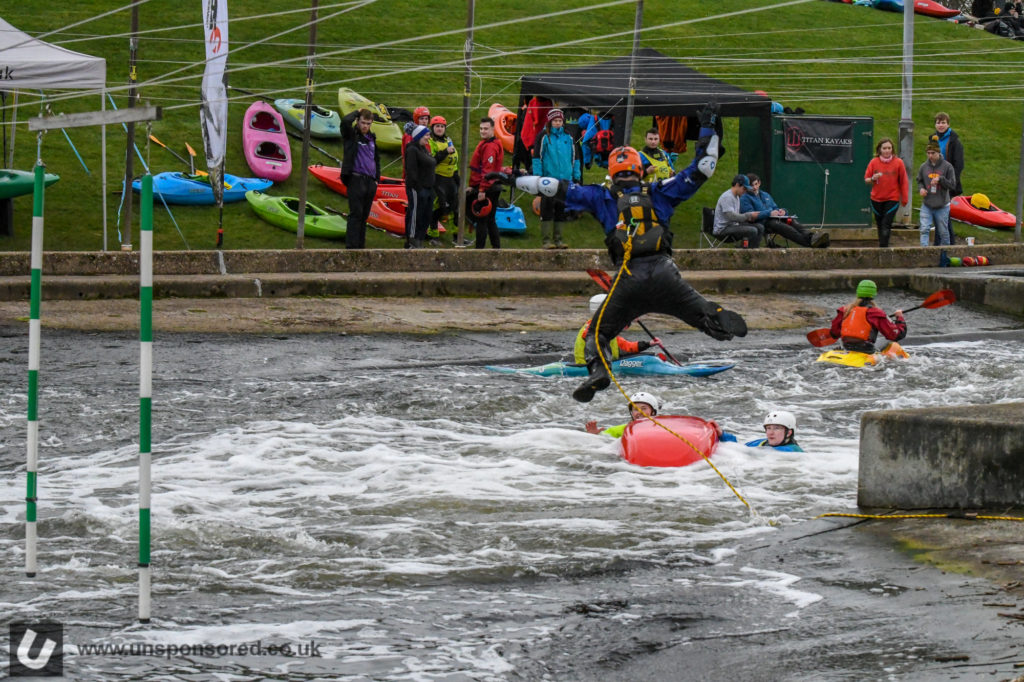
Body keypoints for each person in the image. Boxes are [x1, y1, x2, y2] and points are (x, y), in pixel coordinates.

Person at [512, 102, 748, 403]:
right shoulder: (661, 191)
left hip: (629, 279)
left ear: (612, 172)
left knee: (596, 334)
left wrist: (512, 179)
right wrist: (709, 127)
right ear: (640, 169)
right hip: (666, 275)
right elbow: (704, 167)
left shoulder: (600, 196)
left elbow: (551, 186)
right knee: (695, 311)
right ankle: (715, 323)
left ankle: (599, 371)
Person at [584, 391, 738, 442]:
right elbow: (603, 439)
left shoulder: (665, 426)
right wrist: (594, 435)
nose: (638, 412)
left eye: (643, 408)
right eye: (635, 410)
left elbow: (734, 442)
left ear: (653, 411)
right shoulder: (624, 429)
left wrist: (719, 434)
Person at [531, 108, 581, 249]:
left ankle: (558, 239)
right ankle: (546, 240)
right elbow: (537, 158)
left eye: (560, 121)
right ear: (550, 122)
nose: (558, 123)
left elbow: (575, 157)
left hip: (565, 179)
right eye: (555, 121)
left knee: (561, 209)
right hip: (548, 179)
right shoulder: (543, 137)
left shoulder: (569, 137)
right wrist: (538, 177)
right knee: (546, 209)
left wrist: (576, 176)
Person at [739, 173, 829, 248]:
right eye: (751, 186)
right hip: (763, 222)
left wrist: (783, 211)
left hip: (775, 218)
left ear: (759, 183)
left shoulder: (765, 195)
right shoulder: (745, 198)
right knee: (785, 228)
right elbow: (751, 215)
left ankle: (812, 237)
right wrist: (769, 213)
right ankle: (810, 243)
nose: (754, 187)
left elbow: (775, 207)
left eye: (756, 184)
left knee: (791, 221)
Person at [829, 279, 907, 355]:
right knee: (891, 343)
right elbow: (895, 335)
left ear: (858, 292)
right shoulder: (876, 313)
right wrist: (899, 318)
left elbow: (834, 333)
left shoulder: (844, 310)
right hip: (866, 350)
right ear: (874, 294)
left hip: (846, 347)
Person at [573, 294, 657, 364]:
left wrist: (649, 344)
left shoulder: (606, 327)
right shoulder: (593, 327)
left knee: (647, 357)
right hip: (589, 365)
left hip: (608, 362)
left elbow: (626, 346)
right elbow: (589, 336)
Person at [339, 108, 379, 250]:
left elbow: (376, 159)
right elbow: (344, 122)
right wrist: (357, 112)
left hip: (370, 182)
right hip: (355, 179)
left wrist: (376, 179)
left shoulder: (372, 138)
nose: (365, 126)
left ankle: (361, 246)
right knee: (355, 214)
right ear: (358, 121)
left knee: (364, 216)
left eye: (368, 123)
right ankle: (351, 247)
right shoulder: (351, 135)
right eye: (362, 123)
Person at [403, 125, 448, 249]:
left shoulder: (424, 149)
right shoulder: (412, 149)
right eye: (426, 135)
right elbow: (411, 170)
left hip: (429, 188)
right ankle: (412, 238)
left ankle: (420, 238)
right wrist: (418, 187)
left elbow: (433, 161)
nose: (429, 137)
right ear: (419, 136)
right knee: (415, 213)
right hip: (418, 188)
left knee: (426, 214)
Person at [863, 137, 909, 248]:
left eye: (889, 148)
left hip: (892, 198)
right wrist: (873, 178)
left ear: (892, 149)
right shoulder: (874, 162)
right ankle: (882, 245)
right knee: (879, 224)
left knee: (886, 224)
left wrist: (904, 198)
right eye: (884, 148)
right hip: (876, 199)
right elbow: (866, 179)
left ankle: (884, 247)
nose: (887, 150)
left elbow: (903, 181)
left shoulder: (898, 163)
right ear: (880, 150)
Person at [468, 116, 505, 249]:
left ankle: (480, 250)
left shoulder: (490, 147)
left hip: (487, 188)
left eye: (486, 129)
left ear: (493, 129)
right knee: (490, 220)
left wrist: (482, 190)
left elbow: (487, 170)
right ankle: (496, 248)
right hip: (492, 186)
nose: (483, 131)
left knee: (483, 220)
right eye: (481, 128)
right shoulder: (491, 143)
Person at [916, 140, 957, 247]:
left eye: (933, 153)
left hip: (942, 205)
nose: (930, 155)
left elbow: (952, 185)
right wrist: (921, 189)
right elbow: (919, 181)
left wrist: (941, 179)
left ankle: (944, 255)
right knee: (924, 229)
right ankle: (923, 252)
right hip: (927, 204)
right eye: (928, 153)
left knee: (943, 232)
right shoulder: (923, 167)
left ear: (938, 153)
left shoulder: (947, 167)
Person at [428, 116, 459, 246]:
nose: (440, 129)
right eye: (437, 126)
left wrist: (457, 178)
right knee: (439, 207)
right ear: (432, 128)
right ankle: (433, 236)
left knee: (455, 209)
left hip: (450, 178)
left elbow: (455, 160)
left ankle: (457, 237)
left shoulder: (448, 140)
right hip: (438, 178)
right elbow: (432, 160)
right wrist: (445, 151)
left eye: (442, 126)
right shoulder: (431, 142)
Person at [713, 174, 764, 248]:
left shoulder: (737, 197)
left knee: (760, 227)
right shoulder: (727, 197)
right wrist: (749, 215)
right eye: (744, 189)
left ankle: (753, 251)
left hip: (733, 226)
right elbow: (732, 216)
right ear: (737, 185)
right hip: (723, 229)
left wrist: (751, 217)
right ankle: (746, 253)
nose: (745, 191)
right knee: (752, 230)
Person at [932, 113, 964, 197]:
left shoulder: (955, 141)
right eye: (938, 123)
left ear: (948, 124)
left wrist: (952, 181)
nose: (940, 125)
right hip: (934, 177)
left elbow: (959, 164)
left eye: (943, 123)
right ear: (935, 125)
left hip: (948, 179)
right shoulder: (932, 139)